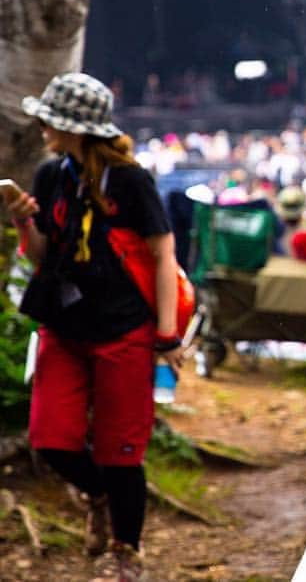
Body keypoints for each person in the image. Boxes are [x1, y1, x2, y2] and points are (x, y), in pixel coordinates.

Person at [2, 73, 181, 582]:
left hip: (124, 329)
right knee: (51, 438)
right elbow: (42, 256)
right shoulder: (49, 175)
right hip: (63, 326)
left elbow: (163, 254)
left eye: (51, 120)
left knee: (121, 450)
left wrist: (167, 334)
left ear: (76, 127)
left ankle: (127, 551)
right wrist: (22, 221)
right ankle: (96, 496)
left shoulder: (129, 180)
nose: (42, 127)